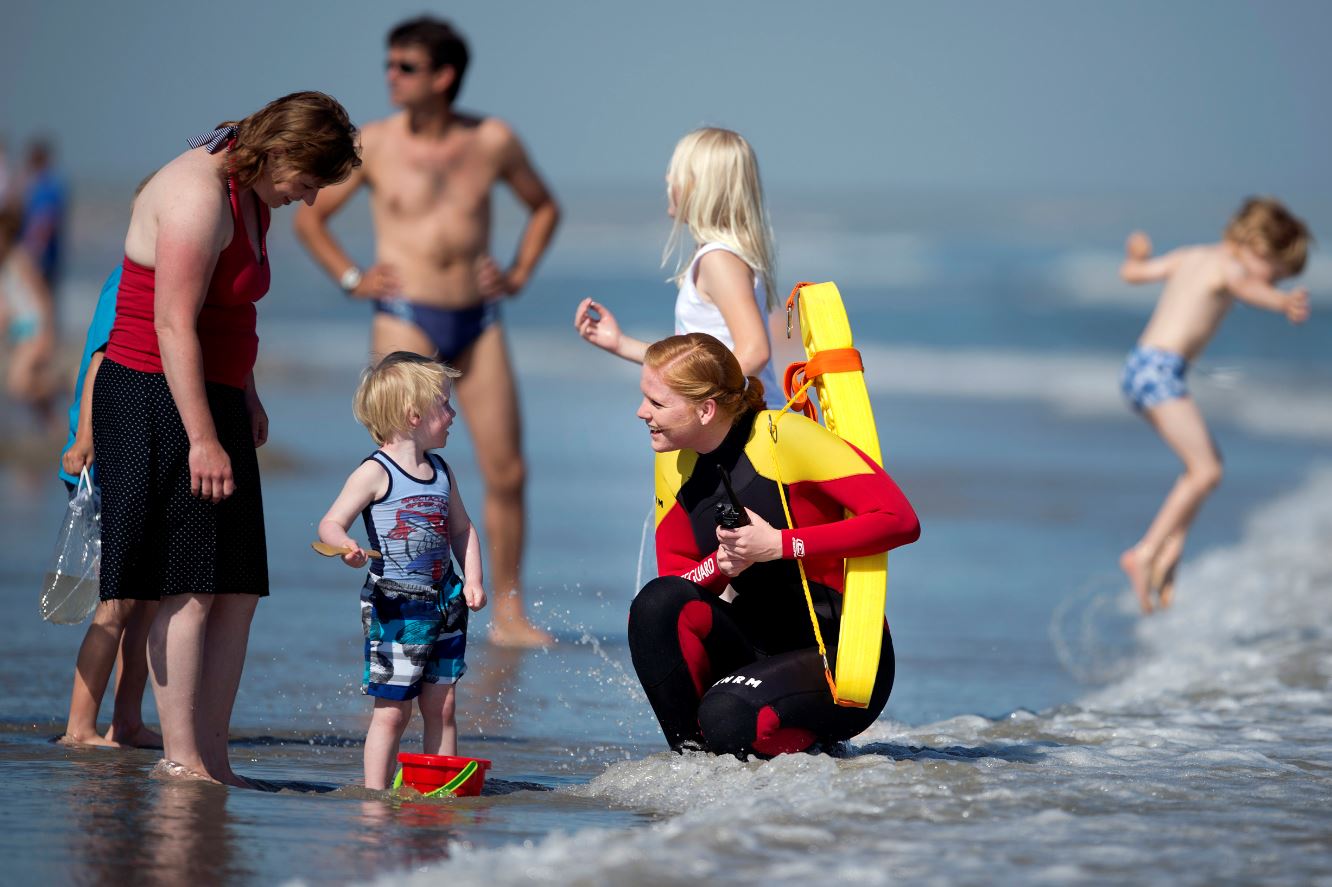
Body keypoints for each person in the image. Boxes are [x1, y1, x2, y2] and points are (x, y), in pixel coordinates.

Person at [94, 91, 360, 785]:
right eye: (306, 183)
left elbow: (227, 311)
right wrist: (204, 438)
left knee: (236, 587)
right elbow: (174, 325)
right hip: (156, 395)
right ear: (280, 154)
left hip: (212, 395)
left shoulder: (251, 192)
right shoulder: (195, 196)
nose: (306, 200)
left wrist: (246, 390)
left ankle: (214, 756)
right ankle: (183, 758)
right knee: (187, 587)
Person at [294, 16, 560, 648]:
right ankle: (391, 593)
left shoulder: (492, 139)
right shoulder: (376, 143)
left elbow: (544, 205)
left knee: (508, 470)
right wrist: (353, 276)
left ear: (443, 76)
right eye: (389, 64)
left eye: (405, 67)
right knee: (396, 463)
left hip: (478, 318)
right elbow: (312, 216)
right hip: (404, 314)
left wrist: (519, 272)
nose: (390, 76)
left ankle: (510, 613)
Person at [628, 333, 920, 757]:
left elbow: (900, 520)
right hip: (756, 648)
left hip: (841, 655)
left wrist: (781, 545)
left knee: (726, 716)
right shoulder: (675, 459)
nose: (642, 413)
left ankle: (772, 738)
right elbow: (676, 580)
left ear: (705, 409)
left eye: (656, 404)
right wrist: (723, 564)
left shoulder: (784, 436)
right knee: (655, 604)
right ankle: (692, 763)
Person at [1117, 197, 1311, 614]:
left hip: (1140, 368)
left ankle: (1171, 549)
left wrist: (1137, 256)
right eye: (1276, 274)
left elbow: (1132, 274)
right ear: (1259, 248)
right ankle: (1147, 551)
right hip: (1160, 372)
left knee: (1202, 468)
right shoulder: (1230, 267)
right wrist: (1281, 303)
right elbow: (1247, 287)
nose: (1275, 283)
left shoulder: (1191, 255)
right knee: (1206, 470)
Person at [317, 351, 487, 790]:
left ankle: (439, 783)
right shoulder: (376, 472)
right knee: (393, 709)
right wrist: (347, 546)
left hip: (446, 600)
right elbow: (331, 523)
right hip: (397, 605)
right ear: (414, 415)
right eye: (444, 405)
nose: (453, 414)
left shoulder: (441, 472)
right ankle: (375, 793)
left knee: (443, 705)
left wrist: (474, 580)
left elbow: (463, 530)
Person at [574, 127, 783, 406]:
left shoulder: (718, 260)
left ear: (702, 187)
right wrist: (620, 343)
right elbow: (692, 362)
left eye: (677, 172)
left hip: (745, 431)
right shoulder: (716, 256)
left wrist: (698, 400)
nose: (668, 178)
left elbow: (755, 351)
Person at [0, 204, 57, 430]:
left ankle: (65, 384)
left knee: (18, 385)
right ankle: (55, 429)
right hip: (18, 333)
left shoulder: (20, 259)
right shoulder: (4, 263)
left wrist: (48, 332)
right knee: (33, 389)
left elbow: (42, 294)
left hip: (33, 330)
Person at [20, 138, 67, 292]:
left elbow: (44, 222)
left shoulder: (46, 186)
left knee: (40, 296)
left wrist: (33, 252)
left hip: (42, 256)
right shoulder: (44, 184)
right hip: (47, 254)